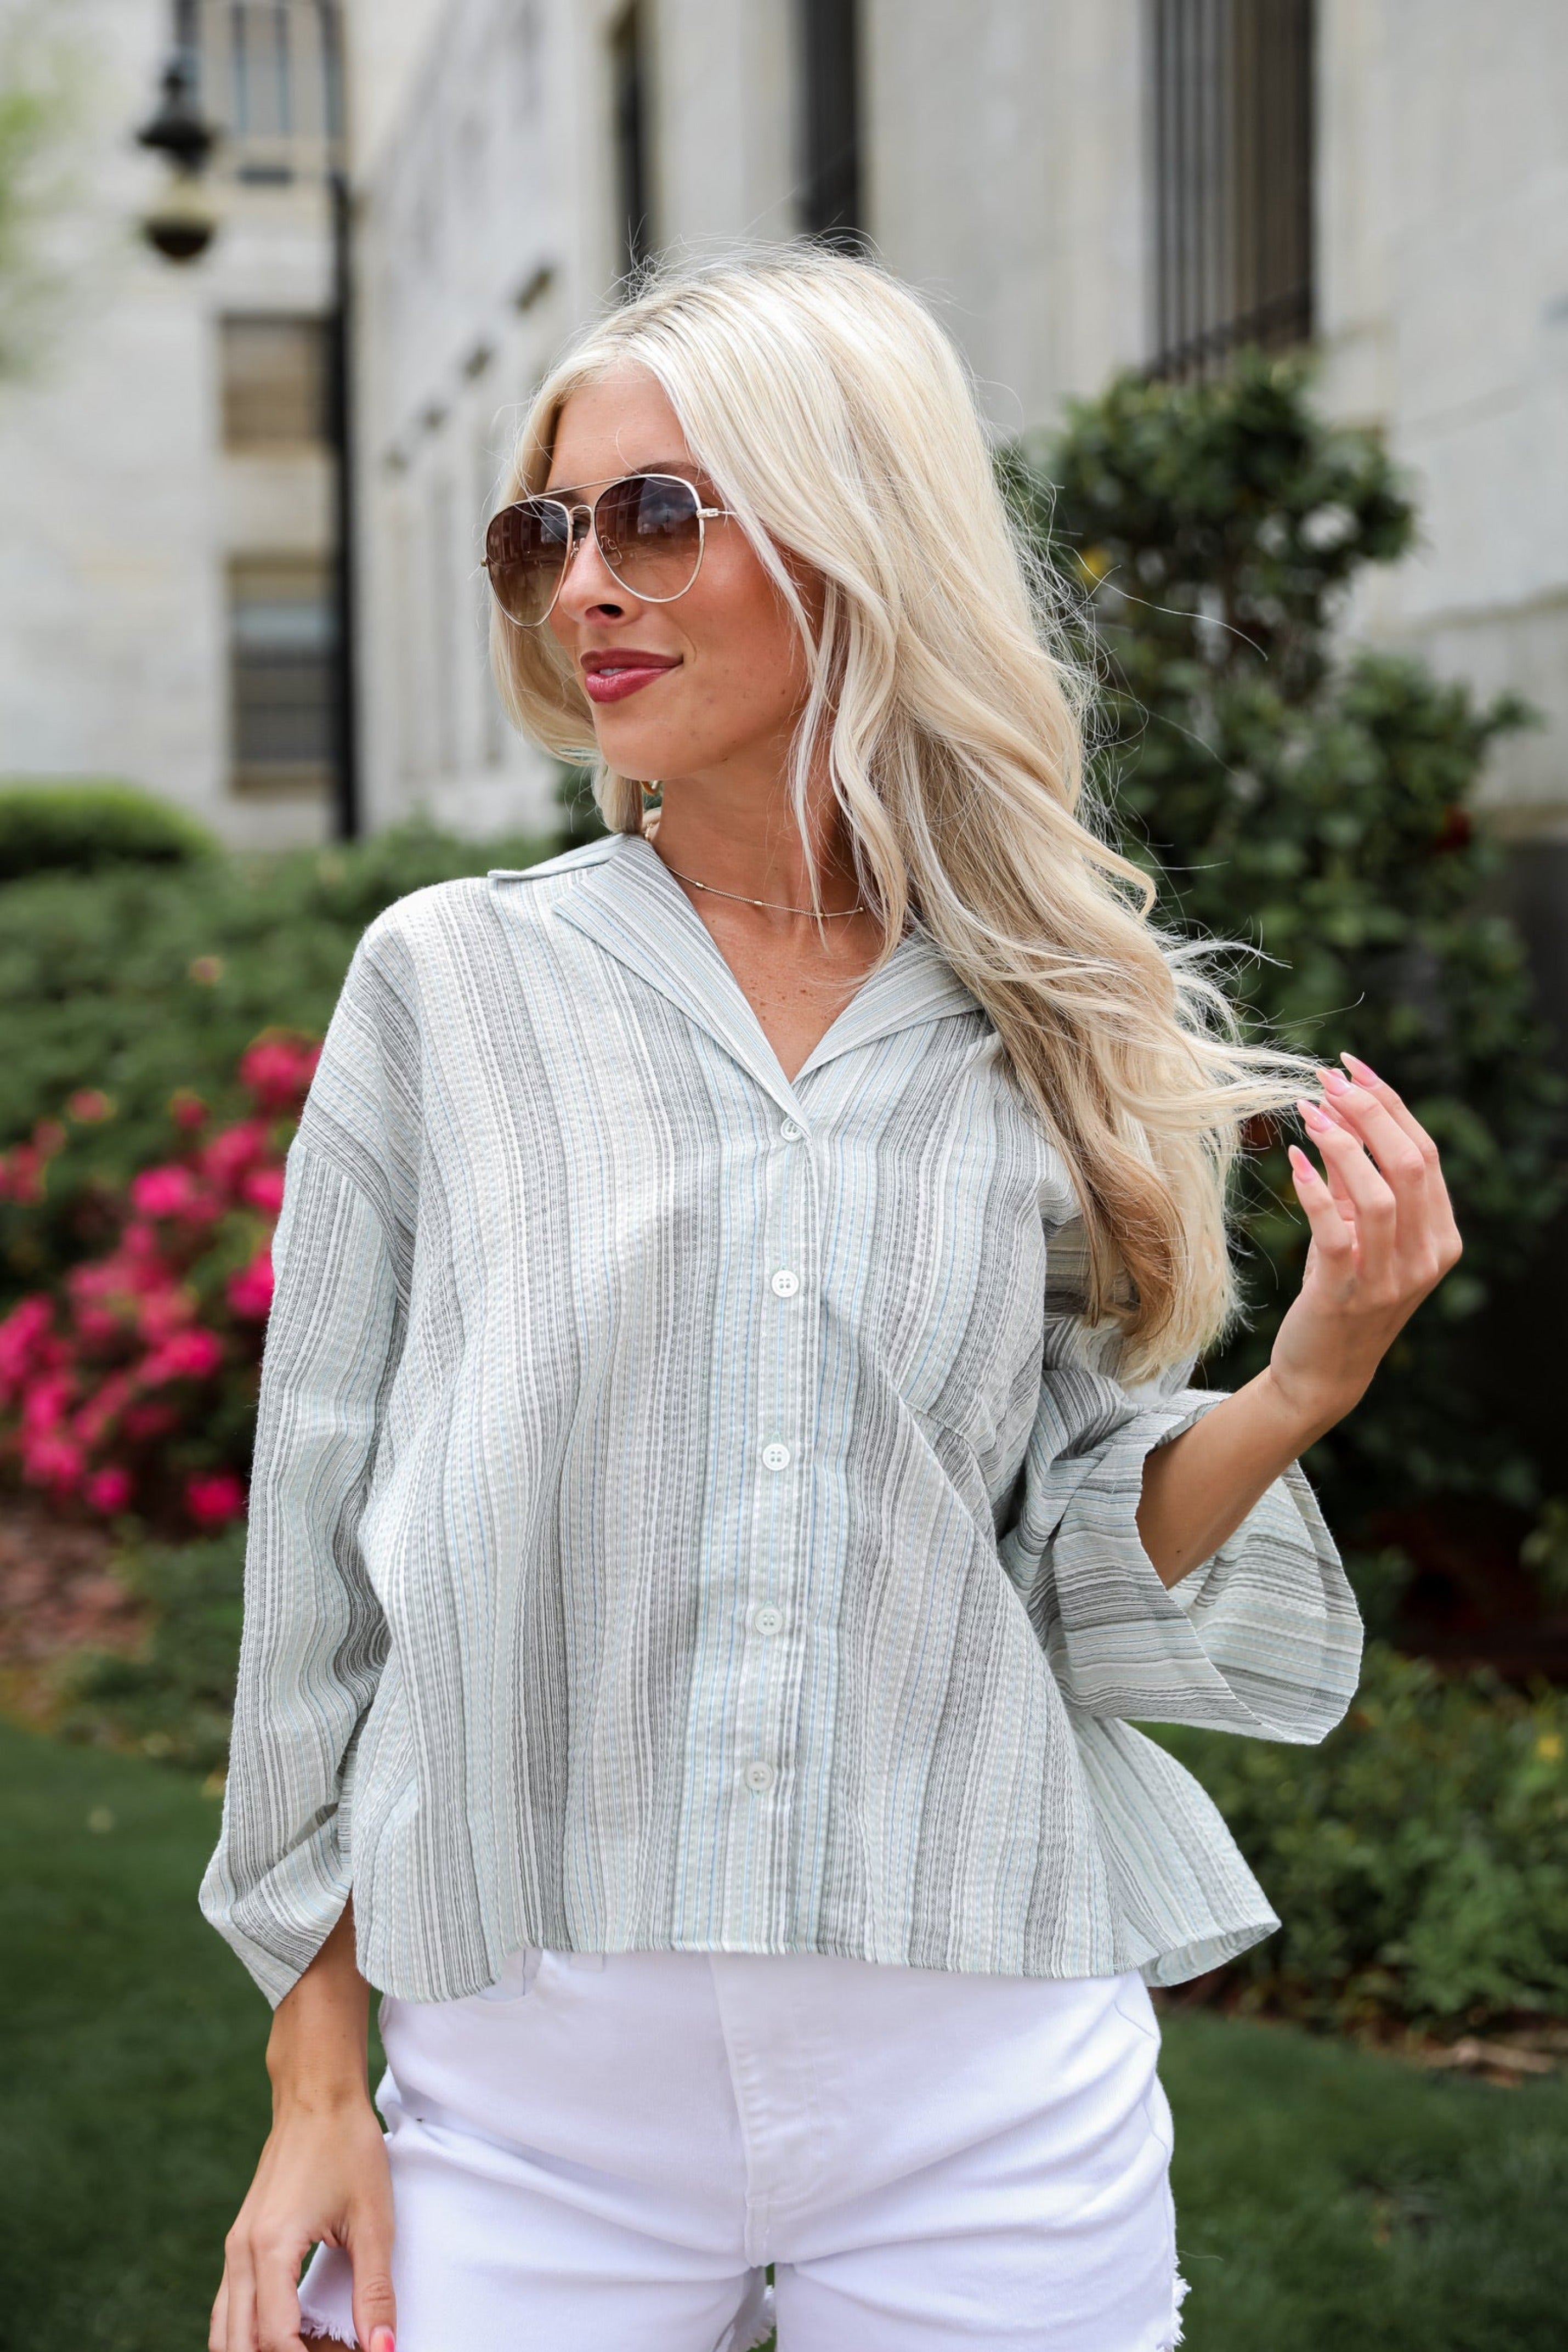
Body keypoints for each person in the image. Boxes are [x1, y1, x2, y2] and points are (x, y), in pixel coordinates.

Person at [202, 248, 1460, 2352]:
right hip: (524, 2091)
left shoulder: (1042, 1018)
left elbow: (1056, 1562)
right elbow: (318, 1560)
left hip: (981, 2081)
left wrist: (1310, 1379)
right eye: (550, 533)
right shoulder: (448, 986)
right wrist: (315, 2076)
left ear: (850, 532)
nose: (586, 584)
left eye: (658, 515)